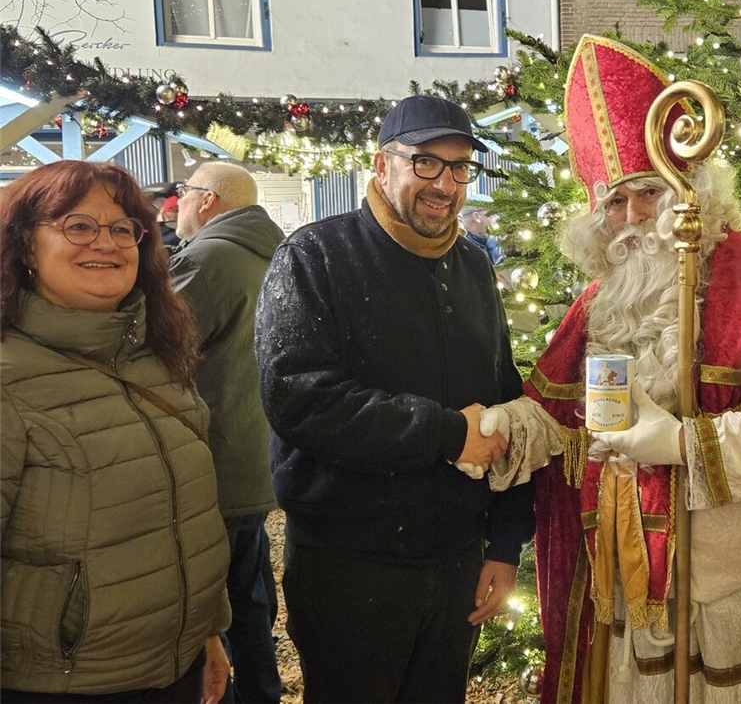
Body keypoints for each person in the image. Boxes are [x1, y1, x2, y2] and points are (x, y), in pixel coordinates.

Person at [469, 36, 741, 703]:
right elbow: (556, 415)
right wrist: (505, 426)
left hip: (725, 587)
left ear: (689, 190)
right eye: (615, 202)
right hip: (621, 585)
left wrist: (682, 444)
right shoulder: (600, 298)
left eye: (648, 192)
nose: (632, 217)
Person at [255, 94, 535, 703]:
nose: (446, 184)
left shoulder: (471, 266)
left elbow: (503, 398)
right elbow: (299, 397)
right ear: (383, 167)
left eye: (461, 167)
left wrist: (506, 544)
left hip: (456, 557)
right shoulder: (314, 257)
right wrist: (444, 432)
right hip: (351, 563)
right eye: (427, 163)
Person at [0, 161, 232, 701]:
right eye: (78, 226)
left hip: (173, 667)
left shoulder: (160, 360)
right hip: (61, 682)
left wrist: (207, 635)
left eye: (123, 228)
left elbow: (192, 517)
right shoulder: (10, 382)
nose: (105, 243)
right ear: (23, 246)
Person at [171, 162, 285, 703]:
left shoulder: (207, 259)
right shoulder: (272, 254)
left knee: (225, 602)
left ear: (209, 200)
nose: (178, 204)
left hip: (212, 461)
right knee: (251, 592)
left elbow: (158, 352)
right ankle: (264, 689)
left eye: (184, 192)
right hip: (255, 453)